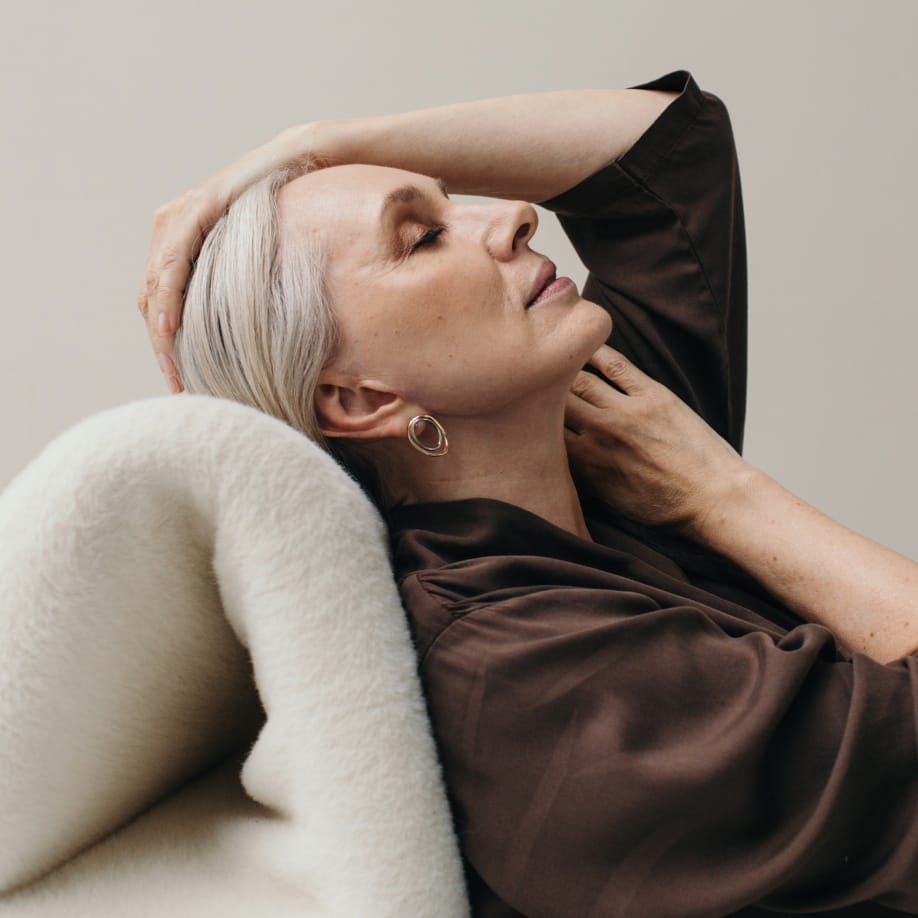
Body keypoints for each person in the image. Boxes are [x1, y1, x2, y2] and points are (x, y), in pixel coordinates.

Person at [138, 70, 918, 917]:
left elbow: (662, 150)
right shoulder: (515, 671)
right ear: (360, 399)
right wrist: (726, 495)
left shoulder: (607, 443)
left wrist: (320, 143)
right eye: (423, 237)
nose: (513, 214)